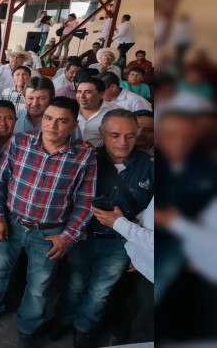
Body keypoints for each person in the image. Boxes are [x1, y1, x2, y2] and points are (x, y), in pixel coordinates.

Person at [0, 97, 97, 348]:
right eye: (48, 118)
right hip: (11, 223)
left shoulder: (84, 158)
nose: (52, 125)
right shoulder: (20, 142)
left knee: (39, 286)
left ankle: (27, 326)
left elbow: (85, 203)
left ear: (74, 126)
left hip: (49, 233)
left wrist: (68, 237)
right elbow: (0, 182)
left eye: (62, 121)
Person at [47, 109, 154, 348]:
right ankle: (64, 319)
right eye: (115, 135)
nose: (122, 142)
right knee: (74, 283)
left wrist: (139, 251)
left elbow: (153, 213)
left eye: (130, 136)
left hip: (120, 243)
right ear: (102, 135)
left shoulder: (151, 167)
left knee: (101, 290)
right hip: (83, 236)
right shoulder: (87, 158)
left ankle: (83, 327)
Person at [94, 197, 155, 344]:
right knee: (131, 304)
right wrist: (138, 219)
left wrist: (120, 224)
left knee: (145, 328)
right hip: (143, 262)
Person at [76, 77, 119, 146]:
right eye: (79, 92)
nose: (82, 96)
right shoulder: (68, 110)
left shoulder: (116, 112)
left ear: (101, 94)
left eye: (88, 92)